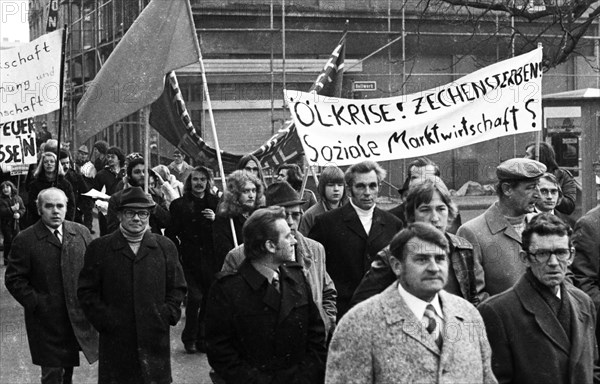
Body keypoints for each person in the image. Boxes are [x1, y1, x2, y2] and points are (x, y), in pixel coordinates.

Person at [325, 223, 496, 384]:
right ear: (397, 266)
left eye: (440, 259)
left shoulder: (468, 314)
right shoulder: (359, 323)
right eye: (422, 260)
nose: (434, 268)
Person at [78, 187, 186, 384]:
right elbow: (87, 292)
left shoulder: (164, 247)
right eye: (130, 212)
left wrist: (166, 313)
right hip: (116, 339)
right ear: (119, 215)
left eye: (143, 213)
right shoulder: (100, 248)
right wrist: (105, 319)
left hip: (154, 337)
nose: (137, 218)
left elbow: (177, 286)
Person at [206, 207, 327, 384]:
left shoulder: (296, 276)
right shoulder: (228, 289)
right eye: (287, 237)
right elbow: (221, 352)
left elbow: (316, 335)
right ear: (270, 246)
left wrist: (304, 377)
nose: (294, 240)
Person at [478, 213, 600, 383]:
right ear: (525, 258)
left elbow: (593, 369)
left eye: (561, 252)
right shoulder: (497, 311)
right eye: (542, 254)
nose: (554, 262)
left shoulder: (583, 302)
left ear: (571, 256)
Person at [5, 188, 98, 384]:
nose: (55, 211)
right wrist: (38, 303)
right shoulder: (26, 239)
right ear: (39, 210)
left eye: (60, 206)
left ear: (66, 208)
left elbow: (93, 270)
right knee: (52, 373)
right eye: (49, 206)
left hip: (74, 317)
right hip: (46, 321)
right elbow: (14, 279)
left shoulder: (80, 233)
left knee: (68, 370)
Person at [221, 181, 337, 336]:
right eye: (283, 216)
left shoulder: (315, 250)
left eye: (295, 215)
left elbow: (327, 291)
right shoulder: (238, 256)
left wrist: (326, 322)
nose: (290, 222)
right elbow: (223, 311)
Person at [351, 178, 482, 307]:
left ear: (450, 212)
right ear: (412, 215)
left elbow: (471, 300)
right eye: (425, 210)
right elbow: (360, 308)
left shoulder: (463, 248)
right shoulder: (392, 255)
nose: (435, 218)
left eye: (441, 209)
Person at [309, 160, 402, 319]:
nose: (367, 192)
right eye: (360, 186)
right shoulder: (326, 223)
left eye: (372, 186)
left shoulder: (393, 224)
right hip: (342, 314)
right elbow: (313, 270)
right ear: (349, 189)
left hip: (383, 313)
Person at [457, 158, 546, 297]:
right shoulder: (471, 232)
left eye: (538, 186)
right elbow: (475, 297)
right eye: (530, 188)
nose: (538, 195)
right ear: (507, 189)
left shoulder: (541, 224)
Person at [166, 166, 220, 354]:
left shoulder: (216, 203)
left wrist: (216, 219)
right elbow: (171, 233)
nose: (199, 183)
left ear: (208, 182)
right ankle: (189, 337)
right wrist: (177, 254)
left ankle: (202, 337)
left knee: (208, 299)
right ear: (190, 182)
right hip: (188, 259)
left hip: (210, 259)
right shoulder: (179, 205)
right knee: (195, 298)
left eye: (203, 179)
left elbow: (222, 233)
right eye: (195, 179)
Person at [212, 170, 264, 268]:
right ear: (235, 194)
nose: (251, 195)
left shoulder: (260, 216)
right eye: (246, 191)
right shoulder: (225, 220)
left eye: (253, 190)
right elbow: (224, 255)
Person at [106, 158, 170, 234]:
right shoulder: (117, 198)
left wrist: (154, 206)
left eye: (144, 172)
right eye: (137, 172)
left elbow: (166, 222)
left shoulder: (155, 196)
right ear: (129, 176)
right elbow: (112, 228)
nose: (142, 175)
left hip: (152, 241)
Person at [525, 141, 577, 215]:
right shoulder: (525, 176)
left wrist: (554, 194)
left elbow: (569, 207)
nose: (524, 158)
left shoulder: (563, 176)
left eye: (527, 155)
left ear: (539, 156)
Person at [27, 151, 76, 225]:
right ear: (42, 164)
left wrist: (67, 223)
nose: (49, 164)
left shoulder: (65, 184)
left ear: (56, 164)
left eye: (52, 161)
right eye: (46, 162)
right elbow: (32, 206)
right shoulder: (35, 184)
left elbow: (71, 206)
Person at [299, 165, 347, 236]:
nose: (336, 189)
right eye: (331, 185)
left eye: (340, 185)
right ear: (322, 188)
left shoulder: (351, 211)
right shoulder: (310, 215)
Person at [94, 146, 125, 235]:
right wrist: (99, 203)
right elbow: (95, 193)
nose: (110, 159)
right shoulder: (101, 174)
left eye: (112, 157)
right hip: (105, 211)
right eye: (108, 157)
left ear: (119, 159)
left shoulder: (125, 174)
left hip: (121, 210)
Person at [0, 181, 25, 266]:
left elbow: (22, 209)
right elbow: (2, 211)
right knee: (8, 241)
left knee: (17, 239)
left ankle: (16, 258)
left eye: (7, 187)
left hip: (16, 223)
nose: (5, 189)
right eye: (3, 188)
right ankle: (7, 259)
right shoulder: (1, 200)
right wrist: (11, 209)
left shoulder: (17, 198)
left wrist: (19, 214)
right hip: (5, 224)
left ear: (11, 187)